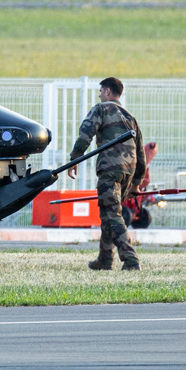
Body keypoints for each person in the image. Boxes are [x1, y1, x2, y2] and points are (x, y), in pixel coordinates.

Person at [67, 76, 146, 271]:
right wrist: (136, 183)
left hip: (110, 169)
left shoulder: (101, 109)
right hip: (128, 170)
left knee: (113, 214)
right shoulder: (130, 117)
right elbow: (141, 152)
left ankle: (130, 260)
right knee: (108, 213)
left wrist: (74, 159)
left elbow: (85, 134)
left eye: (101, 91)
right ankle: (104, 260)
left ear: (108, 92)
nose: (100, 94)